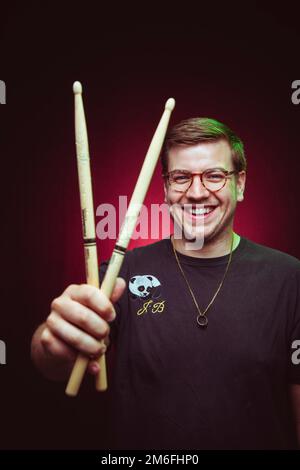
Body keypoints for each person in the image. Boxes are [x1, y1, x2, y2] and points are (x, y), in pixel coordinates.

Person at [31, 117, 300, 449]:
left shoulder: (290, 279)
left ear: (240, 184)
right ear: (165, 188)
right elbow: (54, 362)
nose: (197, 193)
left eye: (215, 176)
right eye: (181, 177)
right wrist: (52, 341)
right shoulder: (124, 271)